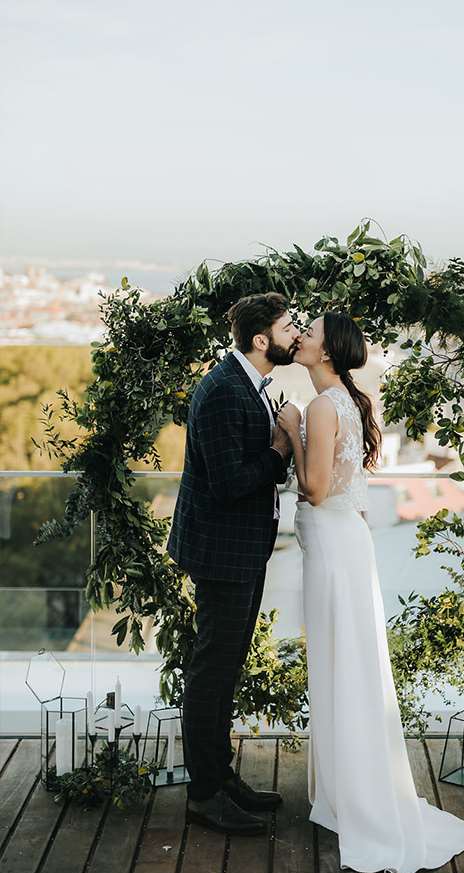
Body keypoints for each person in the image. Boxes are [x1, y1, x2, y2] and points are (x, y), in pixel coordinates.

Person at [277, 312, 464, 873]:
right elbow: (347, 491)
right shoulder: (349, 400)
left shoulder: (318, 406)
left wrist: (290, 429)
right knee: (354, 667)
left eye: (309, 333)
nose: (302, 338)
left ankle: (356, 799)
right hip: (347, 543)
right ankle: (351, 790)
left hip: (334, 549)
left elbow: (315, 490)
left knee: (341, 667)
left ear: (329, 352)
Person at [167, 292, 301, 835]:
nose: (297, 332)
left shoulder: (247, 382)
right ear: (261, 339)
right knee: (212, 670)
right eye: (290, 326)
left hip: (241, 547)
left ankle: (220, 778)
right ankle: (204, 794)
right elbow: (227, 484)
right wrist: (279, 452)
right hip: (222, 551)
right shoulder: (224, 391)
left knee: (225, 668)